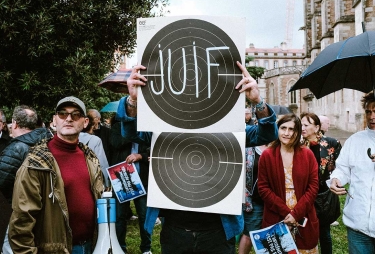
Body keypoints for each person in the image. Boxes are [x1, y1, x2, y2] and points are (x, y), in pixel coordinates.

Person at [118, 62, 278, 254]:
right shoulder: (164, 129)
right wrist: (133, 101)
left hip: (218, 230)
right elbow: (130, 132)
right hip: (176, 230)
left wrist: (257, 101)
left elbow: (266, 135)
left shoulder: (229, 129)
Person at [8, 96, 105, 254]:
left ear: (85, 122)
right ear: (54, 120)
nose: (68, 118)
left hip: (90, 246)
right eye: (62, 114)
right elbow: (21, 221)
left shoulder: (90, 157)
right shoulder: (36, 163)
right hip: (55, 250)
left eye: (75, 114)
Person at [258, 114, 319, 253]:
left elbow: (313, 186)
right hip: (276, 217)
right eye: (283, 128)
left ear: (297, 132)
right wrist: (287, 213)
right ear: (277, 130)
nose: (287, 133)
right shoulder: (267, 156)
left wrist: (296, 214)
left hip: (304, 216)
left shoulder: (307, 155)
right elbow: (263, 188)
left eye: (292, 129)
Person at [0, 105, 52, 254]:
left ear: (14, 123)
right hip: (45, 211)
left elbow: (1, 181)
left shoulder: (17, 148)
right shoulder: (48, 141)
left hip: (18, 212)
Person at [329, 91, 375, 253]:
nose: (372, 116)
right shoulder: (355, 140)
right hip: (358, 225)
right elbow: (343, 168)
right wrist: (336, 179)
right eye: (369, 111)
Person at [109, 116, 152, 254]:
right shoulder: (118, 127)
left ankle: (146, 248)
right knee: (120, 216)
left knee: (144, 216)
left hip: (143, 179)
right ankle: (120, 247)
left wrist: (141, 156)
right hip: (122, 177)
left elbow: (154, 149)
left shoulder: (147, 129)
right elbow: (115, 143)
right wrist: (131, 132)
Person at [300, 112, 341, 254]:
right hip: (303, 194)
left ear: (317, 127)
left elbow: (341, 166)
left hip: (323, 195)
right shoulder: (297, 145)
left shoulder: (331, 143)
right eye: (301, 124)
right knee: (304, 230)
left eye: (306, 125)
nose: (302, 128)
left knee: (324, 232)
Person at [79, 113, 110, 187]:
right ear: (92, 126)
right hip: (92, 177)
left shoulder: (72, 138)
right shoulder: (95, 140)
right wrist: (107, 183)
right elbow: (102, 163)